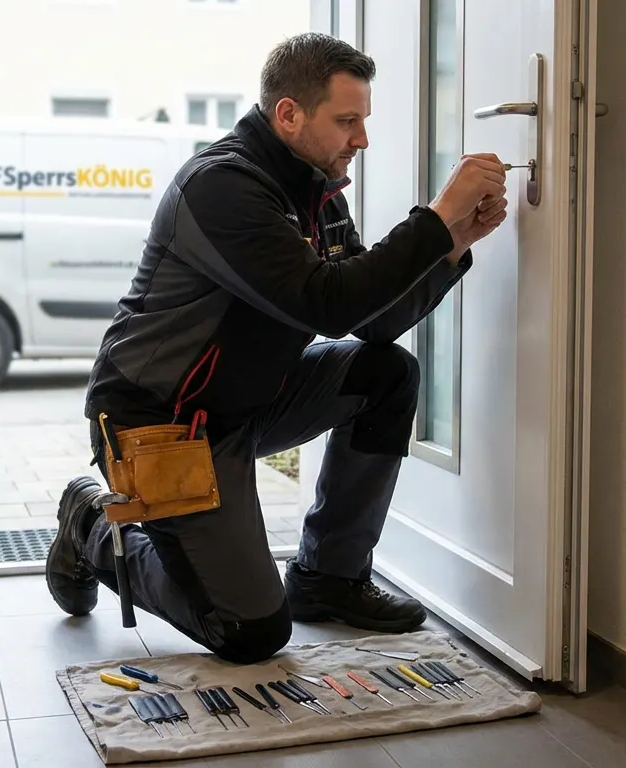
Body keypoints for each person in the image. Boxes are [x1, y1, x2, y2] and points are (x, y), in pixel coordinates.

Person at [45, 32, 507, 664]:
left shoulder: (314, 191)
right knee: (251, 631)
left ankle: (329, 577)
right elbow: (328, 302)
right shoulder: (223, 187)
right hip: (162, 424)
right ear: (288, 114)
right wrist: (433, 217)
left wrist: (450, 245)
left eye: (363, 121)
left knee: (385, 373)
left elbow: (369, 323)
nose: (361, 139)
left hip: (247, 402)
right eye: (347, 121)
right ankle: (93, 526)